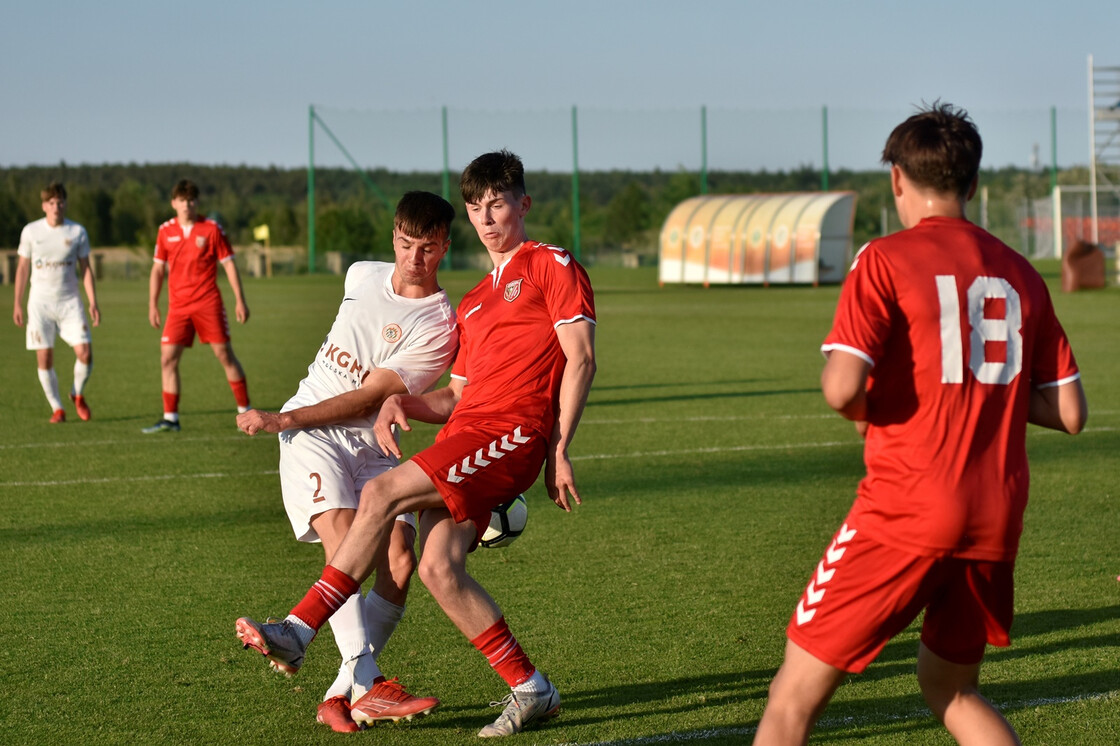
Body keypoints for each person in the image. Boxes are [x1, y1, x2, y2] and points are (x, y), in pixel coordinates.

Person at [753, 102, 1088, 746]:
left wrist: (865, 409)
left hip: (907, 506)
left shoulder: (884, 258)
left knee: (790, 698)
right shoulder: (1021, 272)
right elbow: (1070, 413)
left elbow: (842, 386)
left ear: (898, 180)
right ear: (974, 184)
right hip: (994, 516)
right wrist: (982, 396)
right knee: (953, 690)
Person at [236, 150, 597, 737]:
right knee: (435, 569)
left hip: (509, 434)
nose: (488, 218)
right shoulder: (476, 303)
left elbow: (581, 358)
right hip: (467, 433)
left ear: (523, 205)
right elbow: (453, 399)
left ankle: (298, 632)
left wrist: (559, 448)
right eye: (477, 207)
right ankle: (532, 689)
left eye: (499, 204)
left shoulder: (551, 264)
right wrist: (401, 402)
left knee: (380, 493)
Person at [235, 191, 458, 732]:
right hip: (313, 435)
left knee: (401, 562)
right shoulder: (360, 274)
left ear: (445, 247)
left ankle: (342, 691)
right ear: (393, 239)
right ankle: (371, 682)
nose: (414, 259)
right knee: (344, 542)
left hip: (369, 444)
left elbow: (368, 397)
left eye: (427, 249)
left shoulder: (439, 325)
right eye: (406, 244)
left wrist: (280, 419)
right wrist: (293, 422)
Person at [143, 179, 251, 433]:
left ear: (197, 203)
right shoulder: (165, 231)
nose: (186, 205)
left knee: (224, 355)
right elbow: (157, 269)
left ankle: (245, 412)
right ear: (174, 203)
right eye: (181, 200)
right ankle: (171, 418)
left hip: (207, 302)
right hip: (178, 307)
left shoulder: (212, 229)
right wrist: (152, 304)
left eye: (191, 200)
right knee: (167, 358)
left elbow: (229, 265)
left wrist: (240, 300)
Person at [12, 182, 100, 423]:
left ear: (65, 204)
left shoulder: (77, 232)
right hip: (40, 304)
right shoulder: (31, 232)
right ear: (44, 206)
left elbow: (86, 269)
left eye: (60, 202)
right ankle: (57, 408)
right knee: (45, 358)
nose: (56, 207)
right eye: (51, 203)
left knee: (85, 353)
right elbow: (22, 269)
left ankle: (77, 394)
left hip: (70, 302)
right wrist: (17, 303)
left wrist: (93, 301)